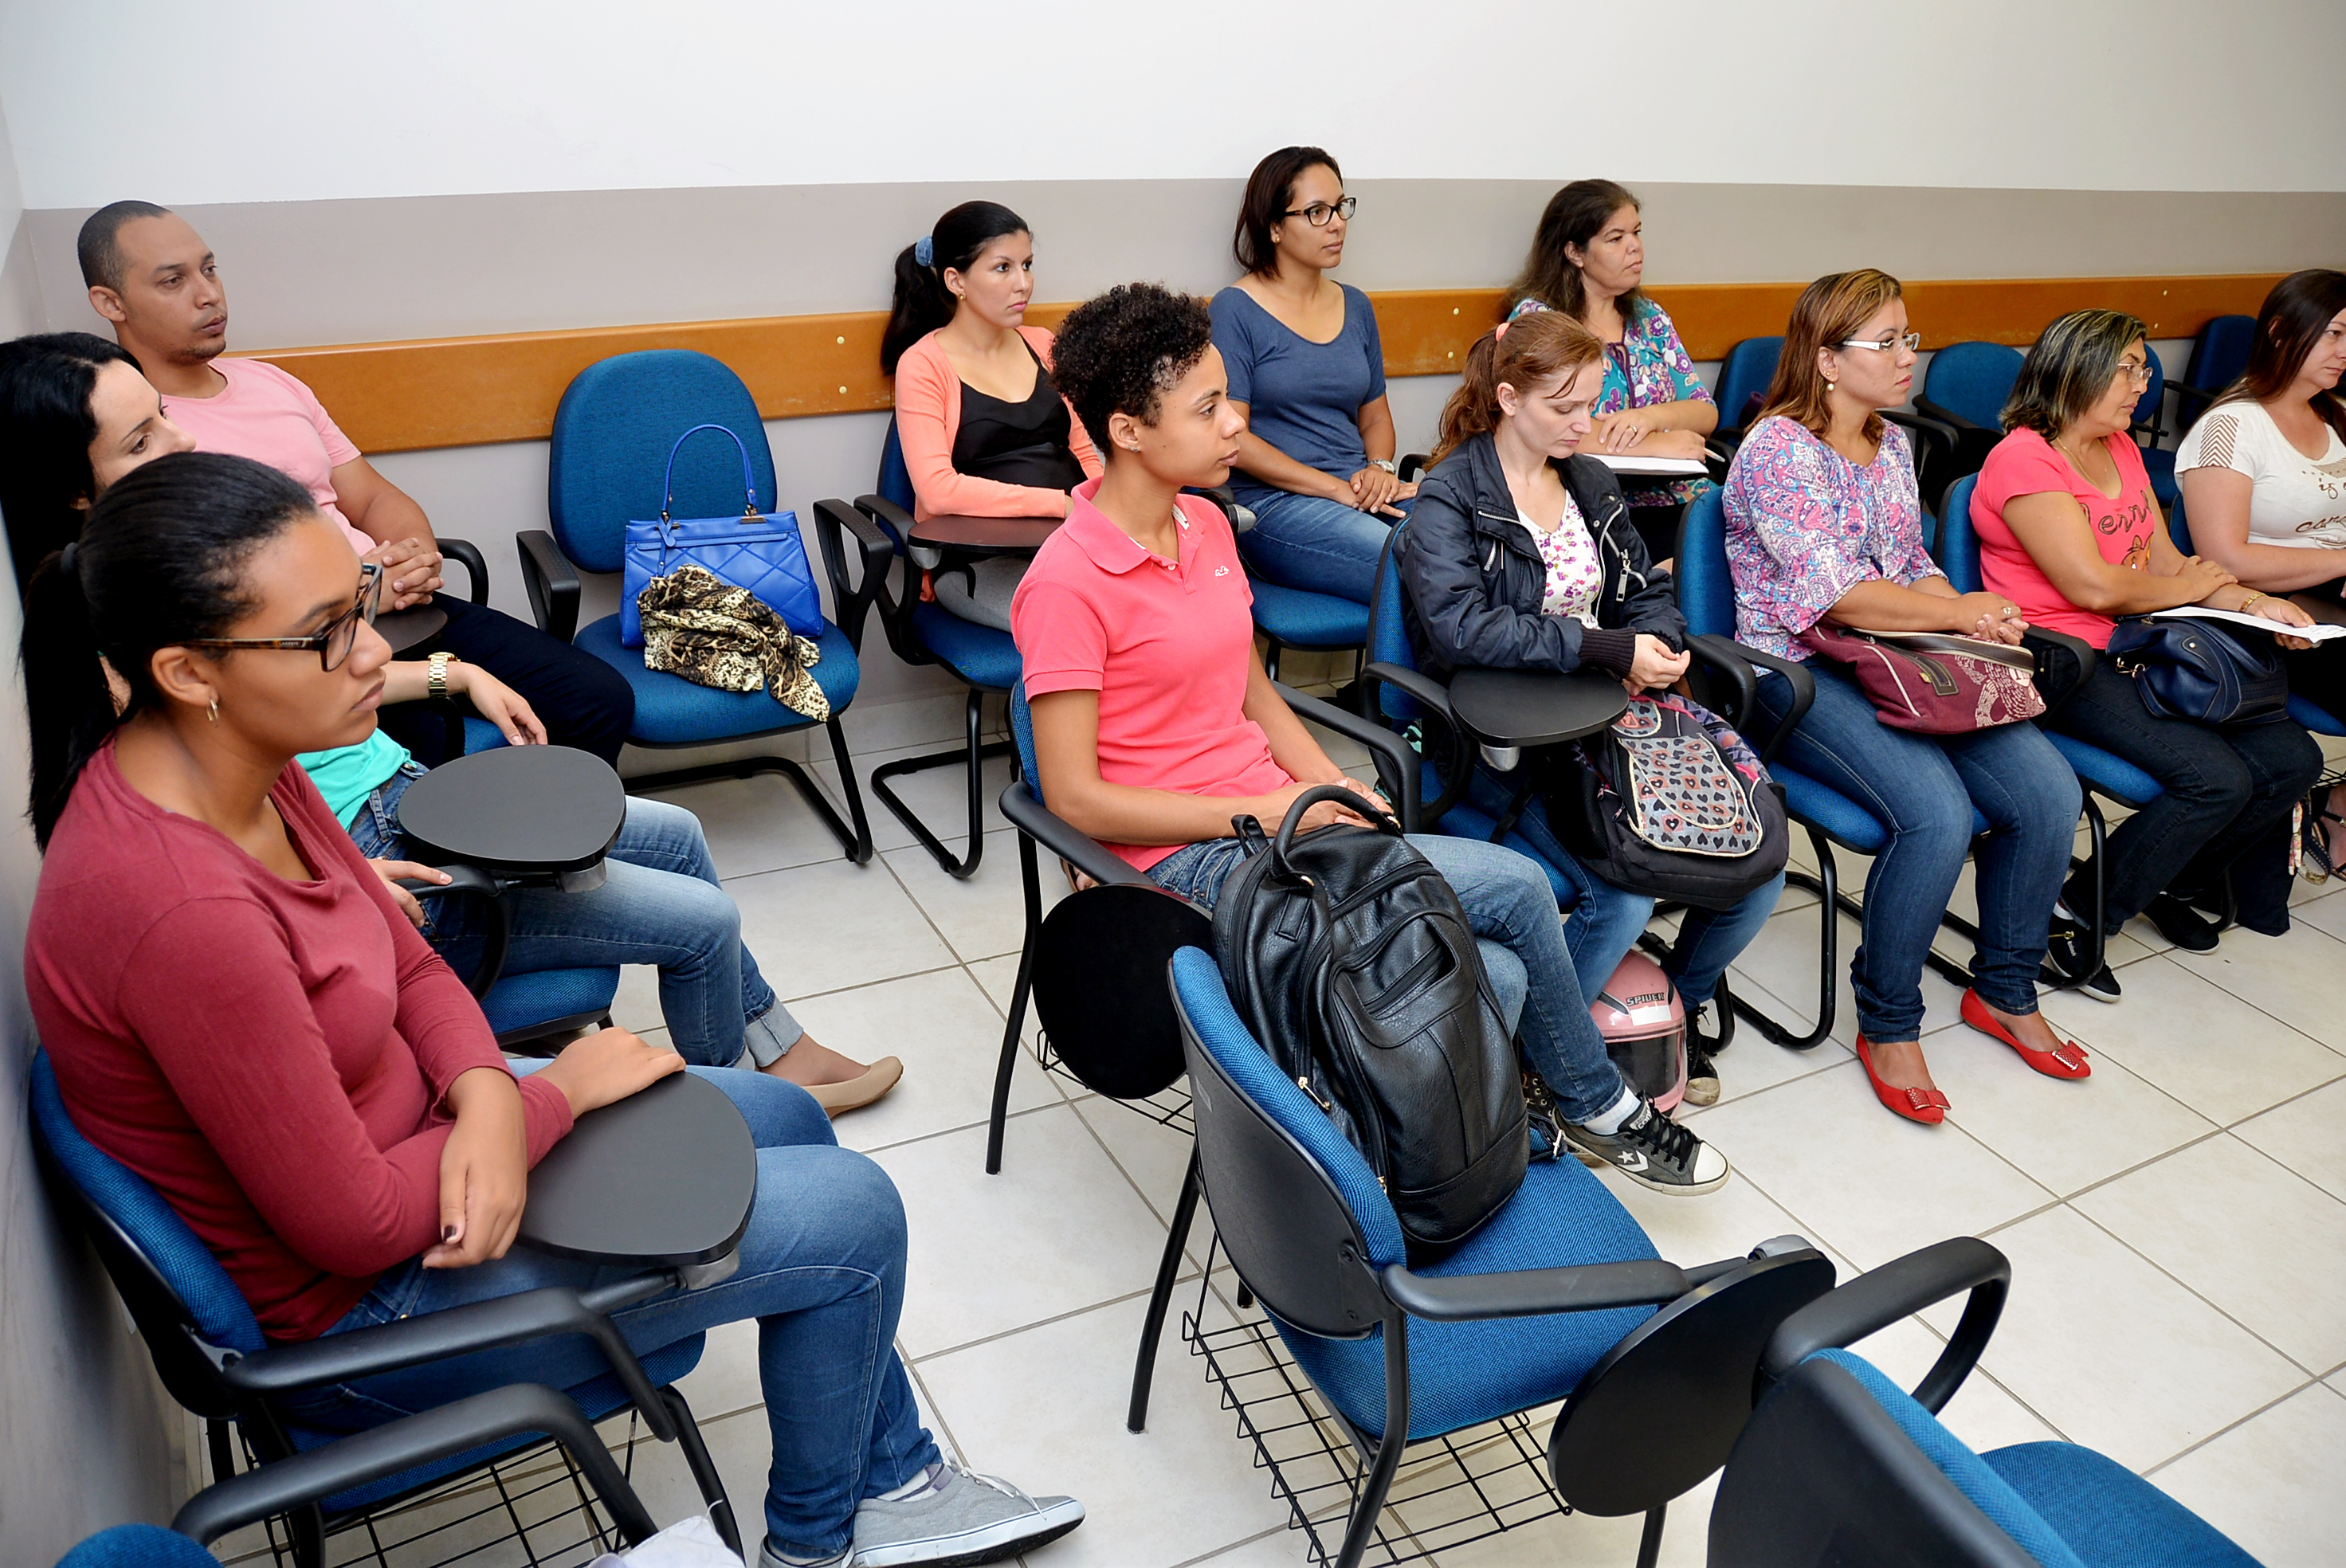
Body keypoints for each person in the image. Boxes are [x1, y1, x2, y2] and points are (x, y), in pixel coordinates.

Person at [21, 453, 1077, 1568]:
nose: (375, 652)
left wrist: (487, 1098)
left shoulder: (241, 755)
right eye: (327, 633)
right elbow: (355, 1225)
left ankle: (891, 1478)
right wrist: (552, 1099)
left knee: (790, 1120)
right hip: (371, 1322)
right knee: (856, 1215)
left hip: (427, 1145)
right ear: (189, 671)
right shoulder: (182, 912)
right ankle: (821, 1543)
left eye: (359, 605)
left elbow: (410, 964)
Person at [0, 342, 894, 1109]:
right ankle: (743, 1109)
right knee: (702, 921)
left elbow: (295, 701)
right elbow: (217, 856)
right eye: (143, 439)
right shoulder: (129, 675)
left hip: (384, 814)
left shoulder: (169, 609)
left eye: (165, 417)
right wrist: (341, 885)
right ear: (71, 490)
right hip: (381, 862)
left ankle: (773, 1050)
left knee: (679, 833)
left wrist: (451, 671)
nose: (185, 440)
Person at [1014, 281, 1728, 1194]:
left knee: (1501, 974)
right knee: (1509, 901)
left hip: (1278, 821)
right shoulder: (1067, 582)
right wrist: (1273, 809)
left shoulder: (1207, 527)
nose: (1235, 422)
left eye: (1228, 396)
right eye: (1207, 407)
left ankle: (1486, 1134)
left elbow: (1252, 693)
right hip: (1174, 867)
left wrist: (1331, 789)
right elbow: (1073, 800)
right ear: (1127, 431)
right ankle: (1590, 1111)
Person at [76, 200, 634, 767]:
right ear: (110, 302)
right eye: (173, 281)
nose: (208, 295)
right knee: (431, 756)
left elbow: (372, 496)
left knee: (597, 700)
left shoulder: (272, 383)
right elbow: (203, 591)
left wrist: (412, 559)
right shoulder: (137, 437)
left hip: (398, 603)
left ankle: (553, 826)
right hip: (304, 645)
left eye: (210, 269)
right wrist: (355, 593)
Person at [1723, 269, 2087, 1123]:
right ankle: (1888, 1023)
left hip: (1901, 657)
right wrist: (1951, 612)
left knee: (2048, 792)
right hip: (1798, 674)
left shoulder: (1887, 444)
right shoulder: (1777, 450)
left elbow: (1910, 563)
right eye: (1884, 342)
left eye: (1907, 338)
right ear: (1826, 360)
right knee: (1935, 816)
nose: (1905, 357)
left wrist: (1969, 616)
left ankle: (2004, 991)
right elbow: (1840, 597)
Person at [1401, 310, 1783, 1107]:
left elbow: (1643, 591)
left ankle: (1676, 1001)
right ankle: (1548, 1057)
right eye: (1565, 407)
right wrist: (1608, 650)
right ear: (1509, 398)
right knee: (1623, 893)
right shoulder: (1450, 496)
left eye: (1591, 403)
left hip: (1608, 719)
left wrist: (1659, 644)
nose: (1585, 423)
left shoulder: (1589, 481)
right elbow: (1461, 629)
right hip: (1504, 738)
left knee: (1756, 863)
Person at [1975, 309, 2322, 948]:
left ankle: (2168, 883)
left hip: (2139, 640)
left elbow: (2165, 562)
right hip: (2060, 658)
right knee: (2215, 781)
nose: (2145, 383)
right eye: (2129, 368)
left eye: (2144, 368)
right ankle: (2078, 915)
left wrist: (2251, 602)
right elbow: (2092, 588)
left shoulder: (2120, 445)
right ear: (2076, 370)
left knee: (2291, 761)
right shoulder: (2024, 460)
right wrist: (2188, 590)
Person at [2175, 269, 2346, 876]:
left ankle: (2338, 807)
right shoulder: (2232, 427)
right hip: (2265, 614)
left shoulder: (2335, 417)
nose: (2345, 351)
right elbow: (2226, 560)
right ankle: (2336, 815)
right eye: (2334, 334)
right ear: (2279, 332)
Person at [879, 202, 1101, 631]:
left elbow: (1084, 452)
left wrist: (1105, 514)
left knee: (1154, 611)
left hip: (1073, 540)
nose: (1023, 284)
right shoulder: (923, 364)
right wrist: (1060, 505)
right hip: (981, 561)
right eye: (1003, 268)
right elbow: (938, 492)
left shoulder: (1044, 344)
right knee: (1078, 628)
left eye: (1027, 265)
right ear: (955, 281)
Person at [1210, 147, 1414, 606]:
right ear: (1275, 227)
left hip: (1359, 491)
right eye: (1317, 212)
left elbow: (1375, 418)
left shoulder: (1356, 305)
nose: (1337, 224)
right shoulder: (1234, 309)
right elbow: (1234, 438)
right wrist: (1335, 489)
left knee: (1474, 540)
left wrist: (1379, 469)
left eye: (1341, 207)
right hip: (1276, 505)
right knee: (1413, 563)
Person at [1504, 180, 1718, 563]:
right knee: (1670, 571)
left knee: (1721, 547)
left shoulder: (1650, 318)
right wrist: (1653, 444)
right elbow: (1535, 426)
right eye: (1615, 238)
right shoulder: (1541, 320)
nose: (1634, 247)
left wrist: (1650, 418)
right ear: (1575, 252)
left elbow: (1704, 412)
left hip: (1678, 494)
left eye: (1636, 233)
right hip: (1588, 502)